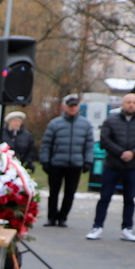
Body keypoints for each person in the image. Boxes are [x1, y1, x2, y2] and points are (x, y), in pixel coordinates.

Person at [88, 92, 135, 242]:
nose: (131, 105)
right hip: (113, 164)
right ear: (123, 104)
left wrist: (133, 153)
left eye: (134, 102)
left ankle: (127, 228)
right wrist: (121, 153)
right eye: (128, 102)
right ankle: (97, 227)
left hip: (134, 165)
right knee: (105, 197)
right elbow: (105, 139)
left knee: (130, 198)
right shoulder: (111, 120)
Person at [38, 94, 94, 226]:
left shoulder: (85, 125)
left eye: (75, 106)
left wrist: (87, 161)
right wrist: (45, 161)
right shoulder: (55, 123)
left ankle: (63, 217)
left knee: (70, 193)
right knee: (54, 192)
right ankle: (52, 217)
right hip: (57, 163)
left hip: (75, 164)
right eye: (70, 106)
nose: (73, 108)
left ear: (78, 107)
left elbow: (89, 145)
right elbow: (46, 144)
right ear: (65, 107)